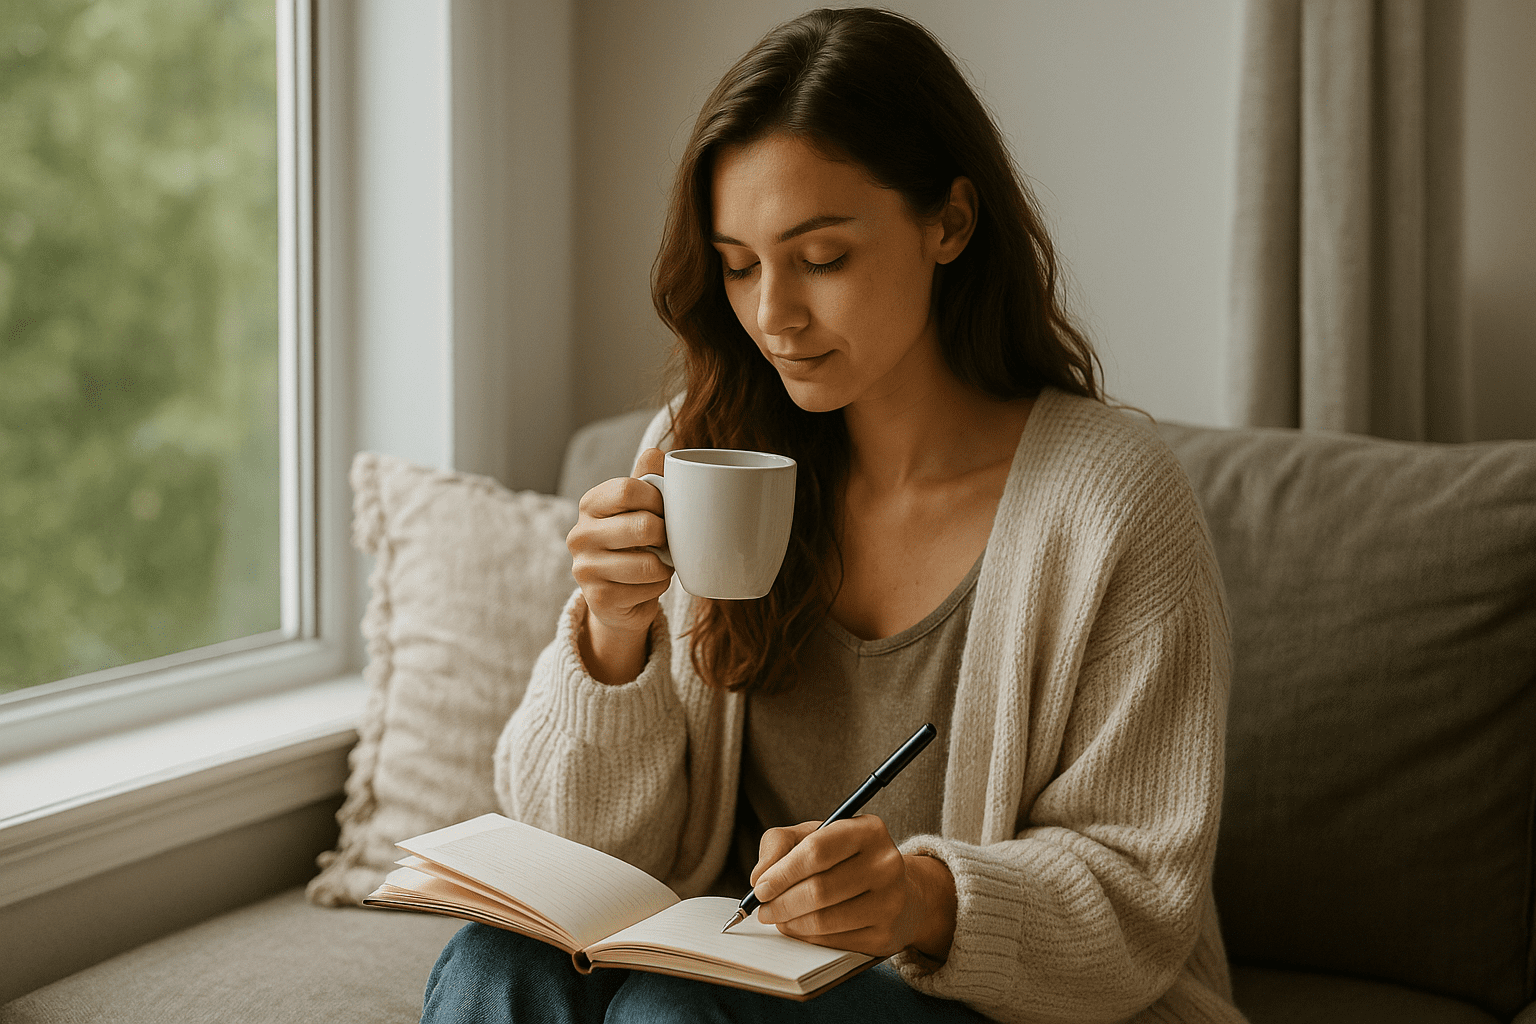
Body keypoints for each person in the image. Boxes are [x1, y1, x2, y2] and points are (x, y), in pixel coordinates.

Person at [421, 8, 1246, 1023]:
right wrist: (613, 638)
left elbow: (1140, 899)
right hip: (747, 961)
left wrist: (921, 898)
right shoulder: (700, 450)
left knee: (673, 1016)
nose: (772, 314)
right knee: (491, 963)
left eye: (820, 257)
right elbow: (578, 856)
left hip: (1015, 1004)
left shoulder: (1113, 498)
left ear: (949, 222)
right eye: (738, 263)